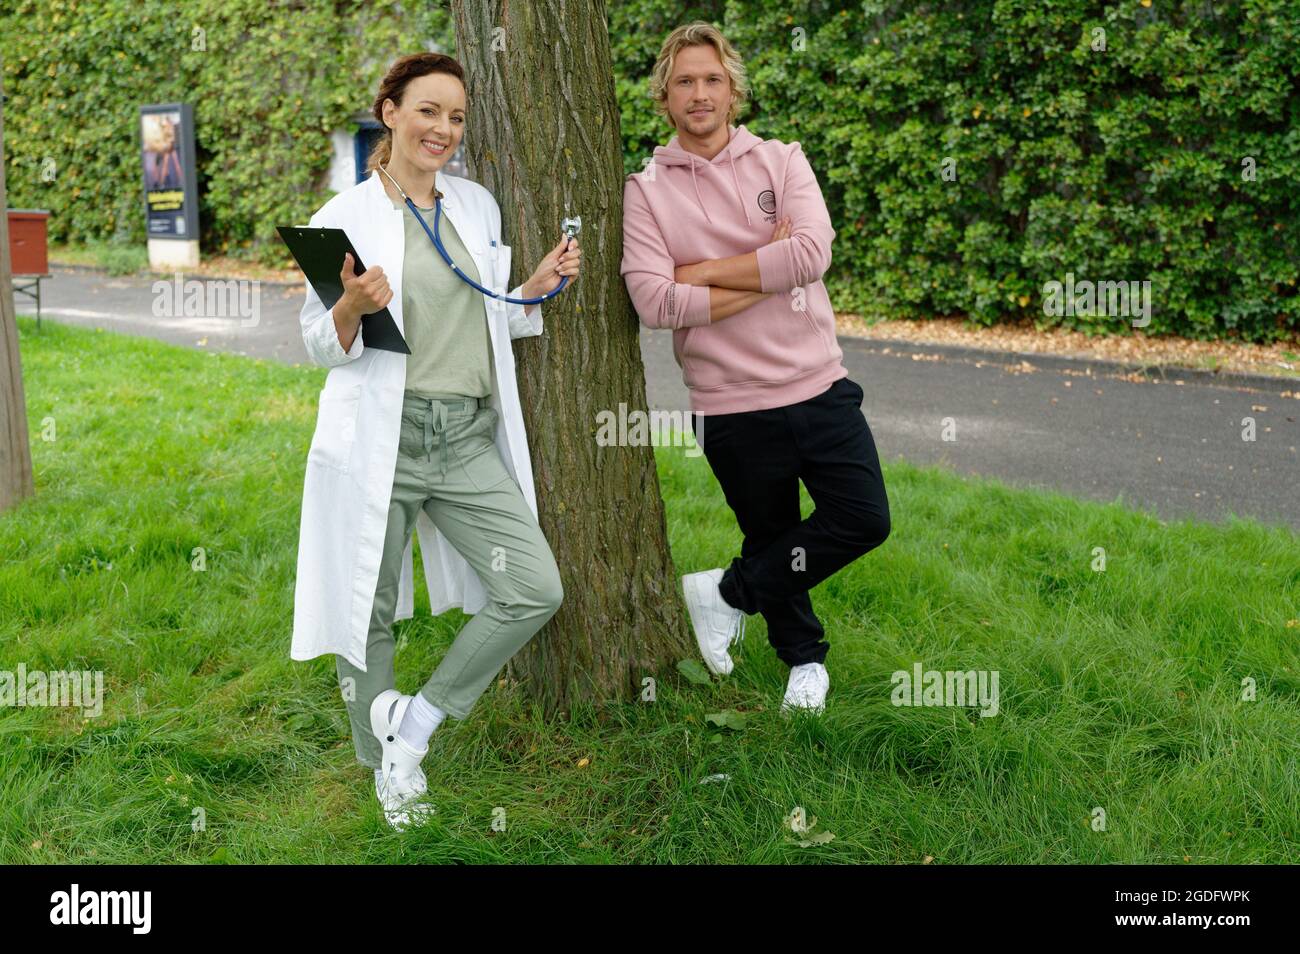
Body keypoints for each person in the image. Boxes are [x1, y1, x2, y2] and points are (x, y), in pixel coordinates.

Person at [290, 52, 581, 829]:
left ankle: (415, 721)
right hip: (382, 436)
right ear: (389, 111)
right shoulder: (340, 218)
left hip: (464, 437)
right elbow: (319, 342)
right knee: (368, 605)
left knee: (533, 587)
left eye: (456, 116)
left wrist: (532, 290)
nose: (444, 129)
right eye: (428, 111)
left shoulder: (475, 205)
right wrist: (350, 304)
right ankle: (381, 765)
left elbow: (486, 315)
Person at [620, 23, 890, 714]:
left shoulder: (781, 159)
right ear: (664, 95)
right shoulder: (645, 192)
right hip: (728, 402)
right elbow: (654, 300)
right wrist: (763, 271)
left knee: (862, 518)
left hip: (816, 383)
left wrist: (703, 274)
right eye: (684, 81)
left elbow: (811, 255)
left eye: (712, 79)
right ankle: (804, 662)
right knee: (772, 535)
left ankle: (727, 594)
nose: (699, 93)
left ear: (733, 89)